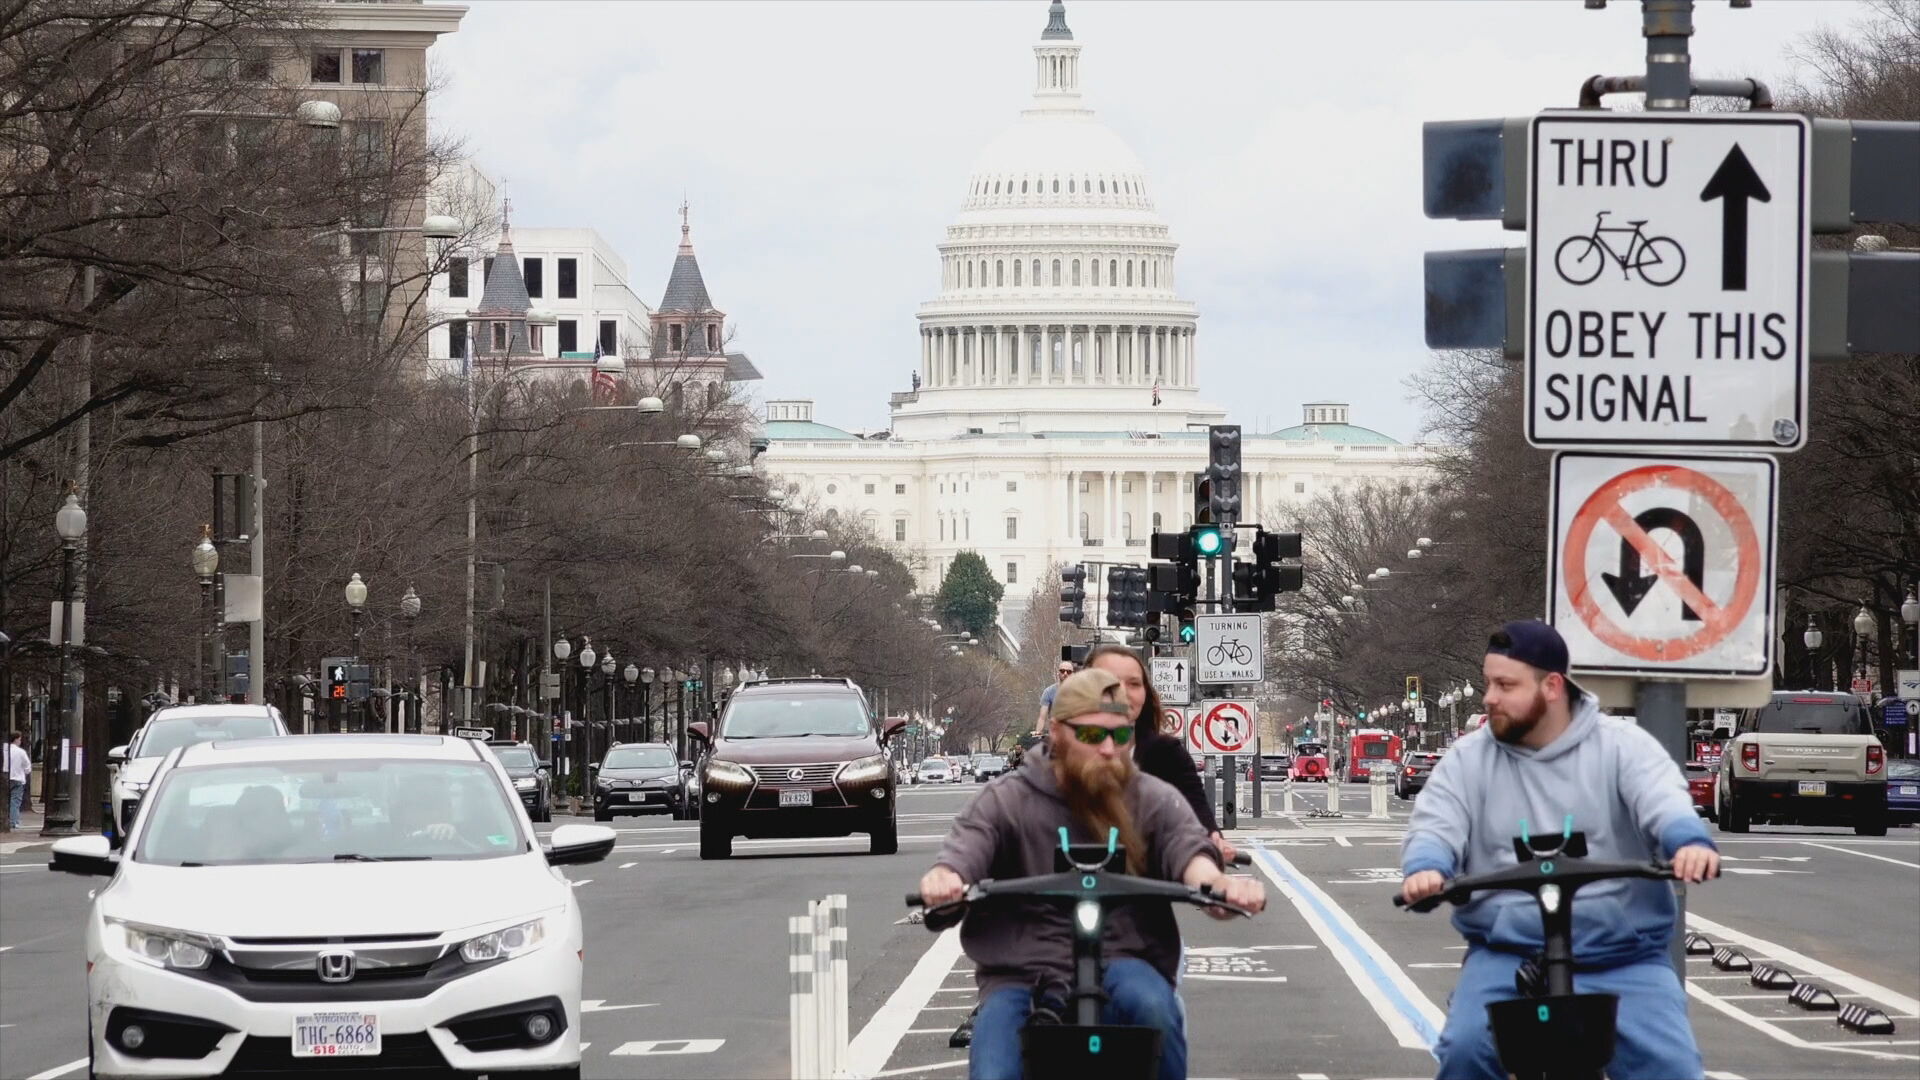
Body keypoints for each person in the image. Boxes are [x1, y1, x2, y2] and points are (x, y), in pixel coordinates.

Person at [1399, 621, 1720, 1080]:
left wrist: (1687, 842)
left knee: (1672, 1069)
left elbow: (1662, 800)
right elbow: (1436, 825)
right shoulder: (1467, 760)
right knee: (1464, 1054)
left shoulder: (1622, 747)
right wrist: (1426, 868)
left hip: (1623, 957)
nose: (1489, 697)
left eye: (1506, 685)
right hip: (1508, 954)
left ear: (1552, 686)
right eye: (1488, 683)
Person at [919, 669, 1266, 1080]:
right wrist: (945, 878)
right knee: (994, 1063)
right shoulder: (1006, 798)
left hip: (1125, 955)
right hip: (1024, 965)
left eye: (1120, 737)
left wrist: (1219, 884)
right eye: (1091, 736)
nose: (1107, 749)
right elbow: (966, 849)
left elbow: (1187, 850)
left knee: (1157, 1009)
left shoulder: (1150, 797)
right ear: (1056, 732)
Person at [1085, 644, 1235, 864]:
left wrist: (1211, 850)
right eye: (1111, 682)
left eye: (1134, 684)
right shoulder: (1051, 759)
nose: (1123, 691)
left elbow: (1199, 823)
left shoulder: (1167, 754)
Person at [1031, 661, 1076, 736]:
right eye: (1062, 671)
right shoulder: (1049, 692)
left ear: (1073, 674)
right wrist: (1038, 732)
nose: (1065, 673)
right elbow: (1042, 717)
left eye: (1069, 672)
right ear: (1058, 673)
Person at [5, 730, 31, 833]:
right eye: (20, 739)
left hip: (6, 779)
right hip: (18, 779)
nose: (20, 741)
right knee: (15, 802)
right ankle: (13, 821)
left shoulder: (5, 750)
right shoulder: (21, 752)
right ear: (16, 739)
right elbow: (27, 767)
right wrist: (25, 772)